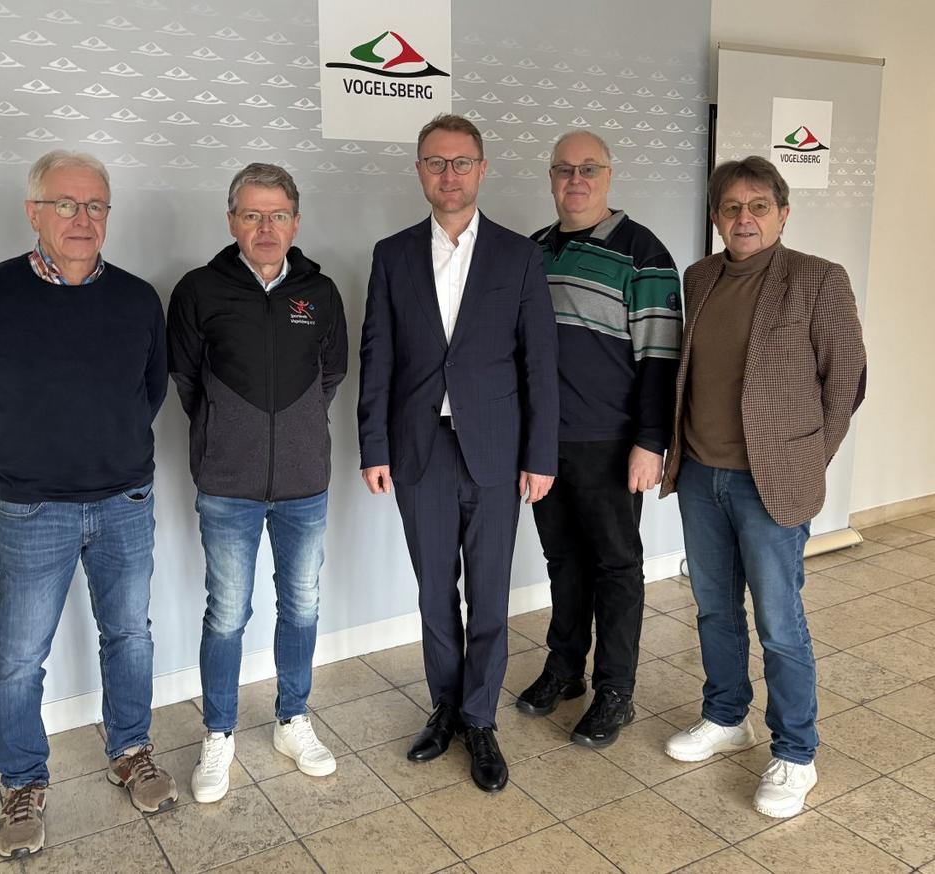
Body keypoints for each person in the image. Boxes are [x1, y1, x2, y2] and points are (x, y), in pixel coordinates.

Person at [0, 150, 176, 859]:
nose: (82, 219)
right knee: (19, 657)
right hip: (34, 508)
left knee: (129, 635)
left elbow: (151, 388)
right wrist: (6, 456)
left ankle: (130, 749)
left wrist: (114, 445)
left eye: (95, 205)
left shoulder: (137, 298)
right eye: (65, 204)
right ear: (33, 212)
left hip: (125, 499)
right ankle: (21, 780)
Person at [660, 156, 866, 818]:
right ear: (715, 217)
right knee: (714, 609)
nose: (743, 218)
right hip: (700, 474)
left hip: (770, 483)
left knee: (779, 623)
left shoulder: (818, 279)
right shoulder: (699, 277)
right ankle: (726, 716)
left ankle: (796, 753)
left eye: (758, 206)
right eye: (731, 207)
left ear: (782, 214)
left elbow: (846, 381)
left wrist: (810, 460)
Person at [358, 113, 559, 793]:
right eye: (436, 162)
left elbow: (539, 363)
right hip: (419, 451)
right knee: (434, 592)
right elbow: (378, 358)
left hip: (497, 453)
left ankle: (480, 718)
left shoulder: (518, 256)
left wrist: (541, 454)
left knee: (491, 595)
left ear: (481, 168)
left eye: (461, 162)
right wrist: (373, 445)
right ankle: (445, 707)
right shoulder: (392, 255)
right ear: (420, 171)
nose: (449, 175)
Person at [167, 163, 347, 801]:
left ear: (295, 222)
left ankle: (292, 719)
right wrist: (229, 432)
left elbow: (331, 375)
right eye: (252, 215)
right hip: (227, 485)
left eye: (277, 215)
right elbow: (187, 381)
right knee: (227, 613)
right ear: (232, 221)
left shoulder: (320, 293)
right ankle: (218, 733)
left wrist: (292, 434)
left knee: (302, 605)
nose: (265, 227)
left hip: (304, 482)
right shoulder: (197, 291)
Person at [517, 131, 682, 748]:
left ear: (609, 176)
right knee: (563, 561)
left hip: (610, 443)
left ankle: (616, 691)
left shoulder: (644, 254)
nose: (576, 180)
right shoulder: (533, 250)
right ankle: (565, 669)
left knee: (616, 567)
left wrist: (651, 440)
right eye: (564, 169)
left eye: (589, 169)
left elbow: (661, 357)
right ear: (551, 177)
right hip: (543, 442)